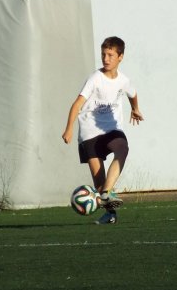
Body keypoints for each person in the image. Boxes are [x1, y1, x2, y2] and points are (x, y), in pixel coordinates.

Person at [62, 36, 144, 224]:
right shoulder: (95, 78)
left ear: (120, 57)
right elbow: (77, 104)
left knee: (122, 148)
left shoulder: (123, 80)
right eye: (103, 55)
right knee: (99, 183)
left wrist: (135, 108)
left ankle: (107, 192)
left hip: (111, 129)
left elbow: (133, 93)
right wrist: (69, 129)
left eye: (110, 55)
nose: (106, 59)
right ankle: (109, 213)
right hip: (89, 133)